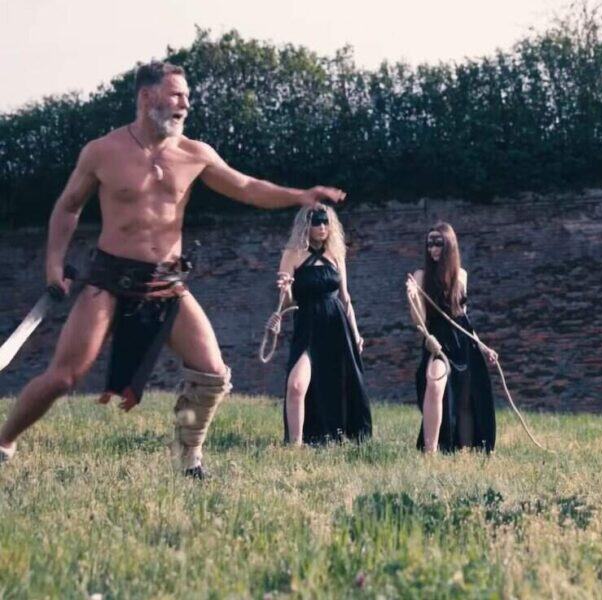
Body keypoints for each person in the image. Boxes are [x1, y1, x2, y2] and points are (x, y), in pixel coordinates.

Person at [0, 61, 346, 478]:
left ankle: (189, 455)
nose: (186, 104)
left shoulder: (194, 154)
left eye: (187, 96)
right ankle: (4, 440)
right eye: (177, 94)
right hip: (110, 280)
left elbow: (247, 188)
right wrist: (54, 263)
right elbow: (69, 206)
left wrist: (299, 195)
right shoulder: (102, 151)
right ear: (148, 97)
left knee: (211, 375)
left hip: (166, 282)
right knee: (63, 377)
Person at [268, 205, 371, 444]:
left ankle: (340, 438)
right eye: (317, 222)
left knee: (340, 383)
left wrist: (356, 333)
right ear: (306, 225)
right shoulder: (292, 254)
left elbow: (345, 297)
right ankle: (295, 446)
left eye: (326, 222)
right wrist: (285, 290)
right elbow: (286, 302)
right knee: (296, 385)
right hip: (307, 325)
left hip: (337, 324)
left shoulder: (336, 254)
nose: (322, 227)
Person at [406, 223, 497, 453]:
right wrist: (413, 297)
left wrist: (483, 347)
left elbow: (463, 319)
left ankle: (463, 450)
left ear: (449, 245)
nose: (433, 249)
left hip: (462, 343)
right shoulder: (420, 276)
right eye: (429, 244)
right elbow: (419, 322)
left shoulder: (461, 275)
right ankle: (430, 451)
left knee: (465, 400)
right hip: (437, 341)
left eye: (438, 243)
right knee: (434, 385)